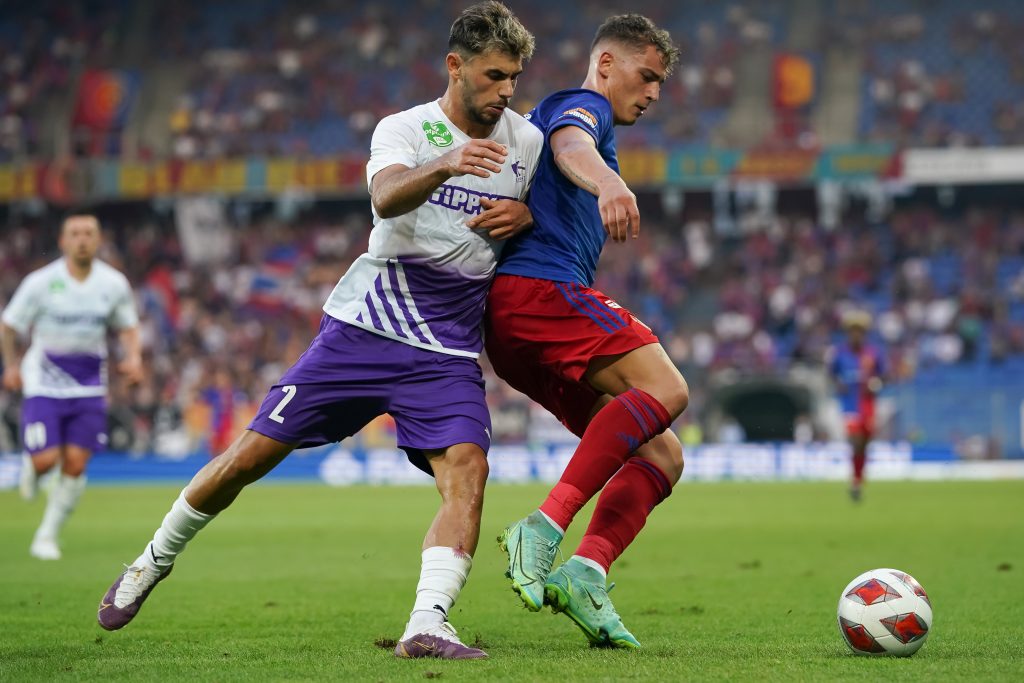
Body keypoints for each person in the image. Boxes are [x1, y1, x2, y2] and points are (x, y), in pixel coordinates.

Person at [96, 1, 542, 661]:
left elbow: (546, 218)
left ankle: (427, 623)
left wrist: (529, 217)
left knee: (468, 470)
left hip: (446, 346)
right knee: (248, 458)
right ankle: (151, 560)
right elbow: (385, 197)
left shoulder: (526, 142)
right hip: (366, 328)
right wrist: (446, 164)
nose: (506, 90)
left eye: (514, 77)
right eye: (494, 75)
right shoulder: (405, 128)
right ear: (456, 66)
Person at [484, 14, 686, 648]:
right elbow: (571, 146)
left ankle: (586, 572)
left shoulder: (555, 123)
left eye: (659, 83)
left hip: (515, 326)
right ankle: (543, 527)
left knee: (663, 455)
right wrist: (610, 183)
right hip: (541, 294)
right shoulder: (582, 107)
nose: (652, 93)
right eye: (645, 76)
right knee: (668, 389)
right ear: (605, 64)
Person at [1, 213, 143, 560]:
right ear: (63, 241)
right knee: (47, 460)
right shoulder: (40, 283)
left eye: (88, 233)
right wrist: (12, 366)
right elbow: (9, 325)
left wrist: (134, 358)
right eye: (75, 233)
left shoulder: (113, 284)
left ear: (98, 241)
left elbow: (128, 326)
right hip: (44, 381)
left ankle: (46, 536)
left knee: (77, 464)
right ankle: (35, 467)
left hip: (89, 384)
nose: (82, 239)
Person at [828, 311, 885, 502]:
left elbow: (884, 375)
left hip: (868, 403)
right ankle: (855, 481)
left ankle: (857, 479)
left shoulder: (873, 353)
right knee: (856, 439)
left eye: (859, 331)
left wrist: (876, 383)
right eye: (853, 331)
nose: (856, 335)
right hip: (849, 403)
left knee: (864, 443)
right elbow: (831, 373)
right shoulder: (840, 353)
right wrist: (838, 383)